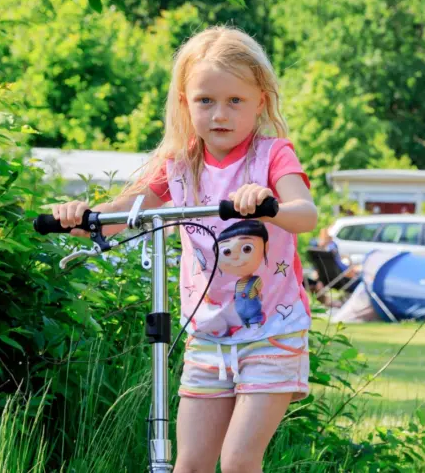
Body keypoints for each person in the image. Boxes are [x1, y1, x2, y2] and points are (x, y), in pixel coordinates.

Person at [46, 26, 318, 473]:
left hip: (271, 333)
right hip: (207, 336)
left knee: (237, 462)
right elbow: (116, 217)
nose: (220, 114)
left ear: (261, 103)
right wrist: (79, 216)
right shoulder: (179, 165)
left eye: (235, 101)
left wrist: (269, 206)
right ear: (184, 103)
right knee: (188, 464)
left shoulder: (272, 156)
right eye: (205, 100)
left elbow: (305, 214)